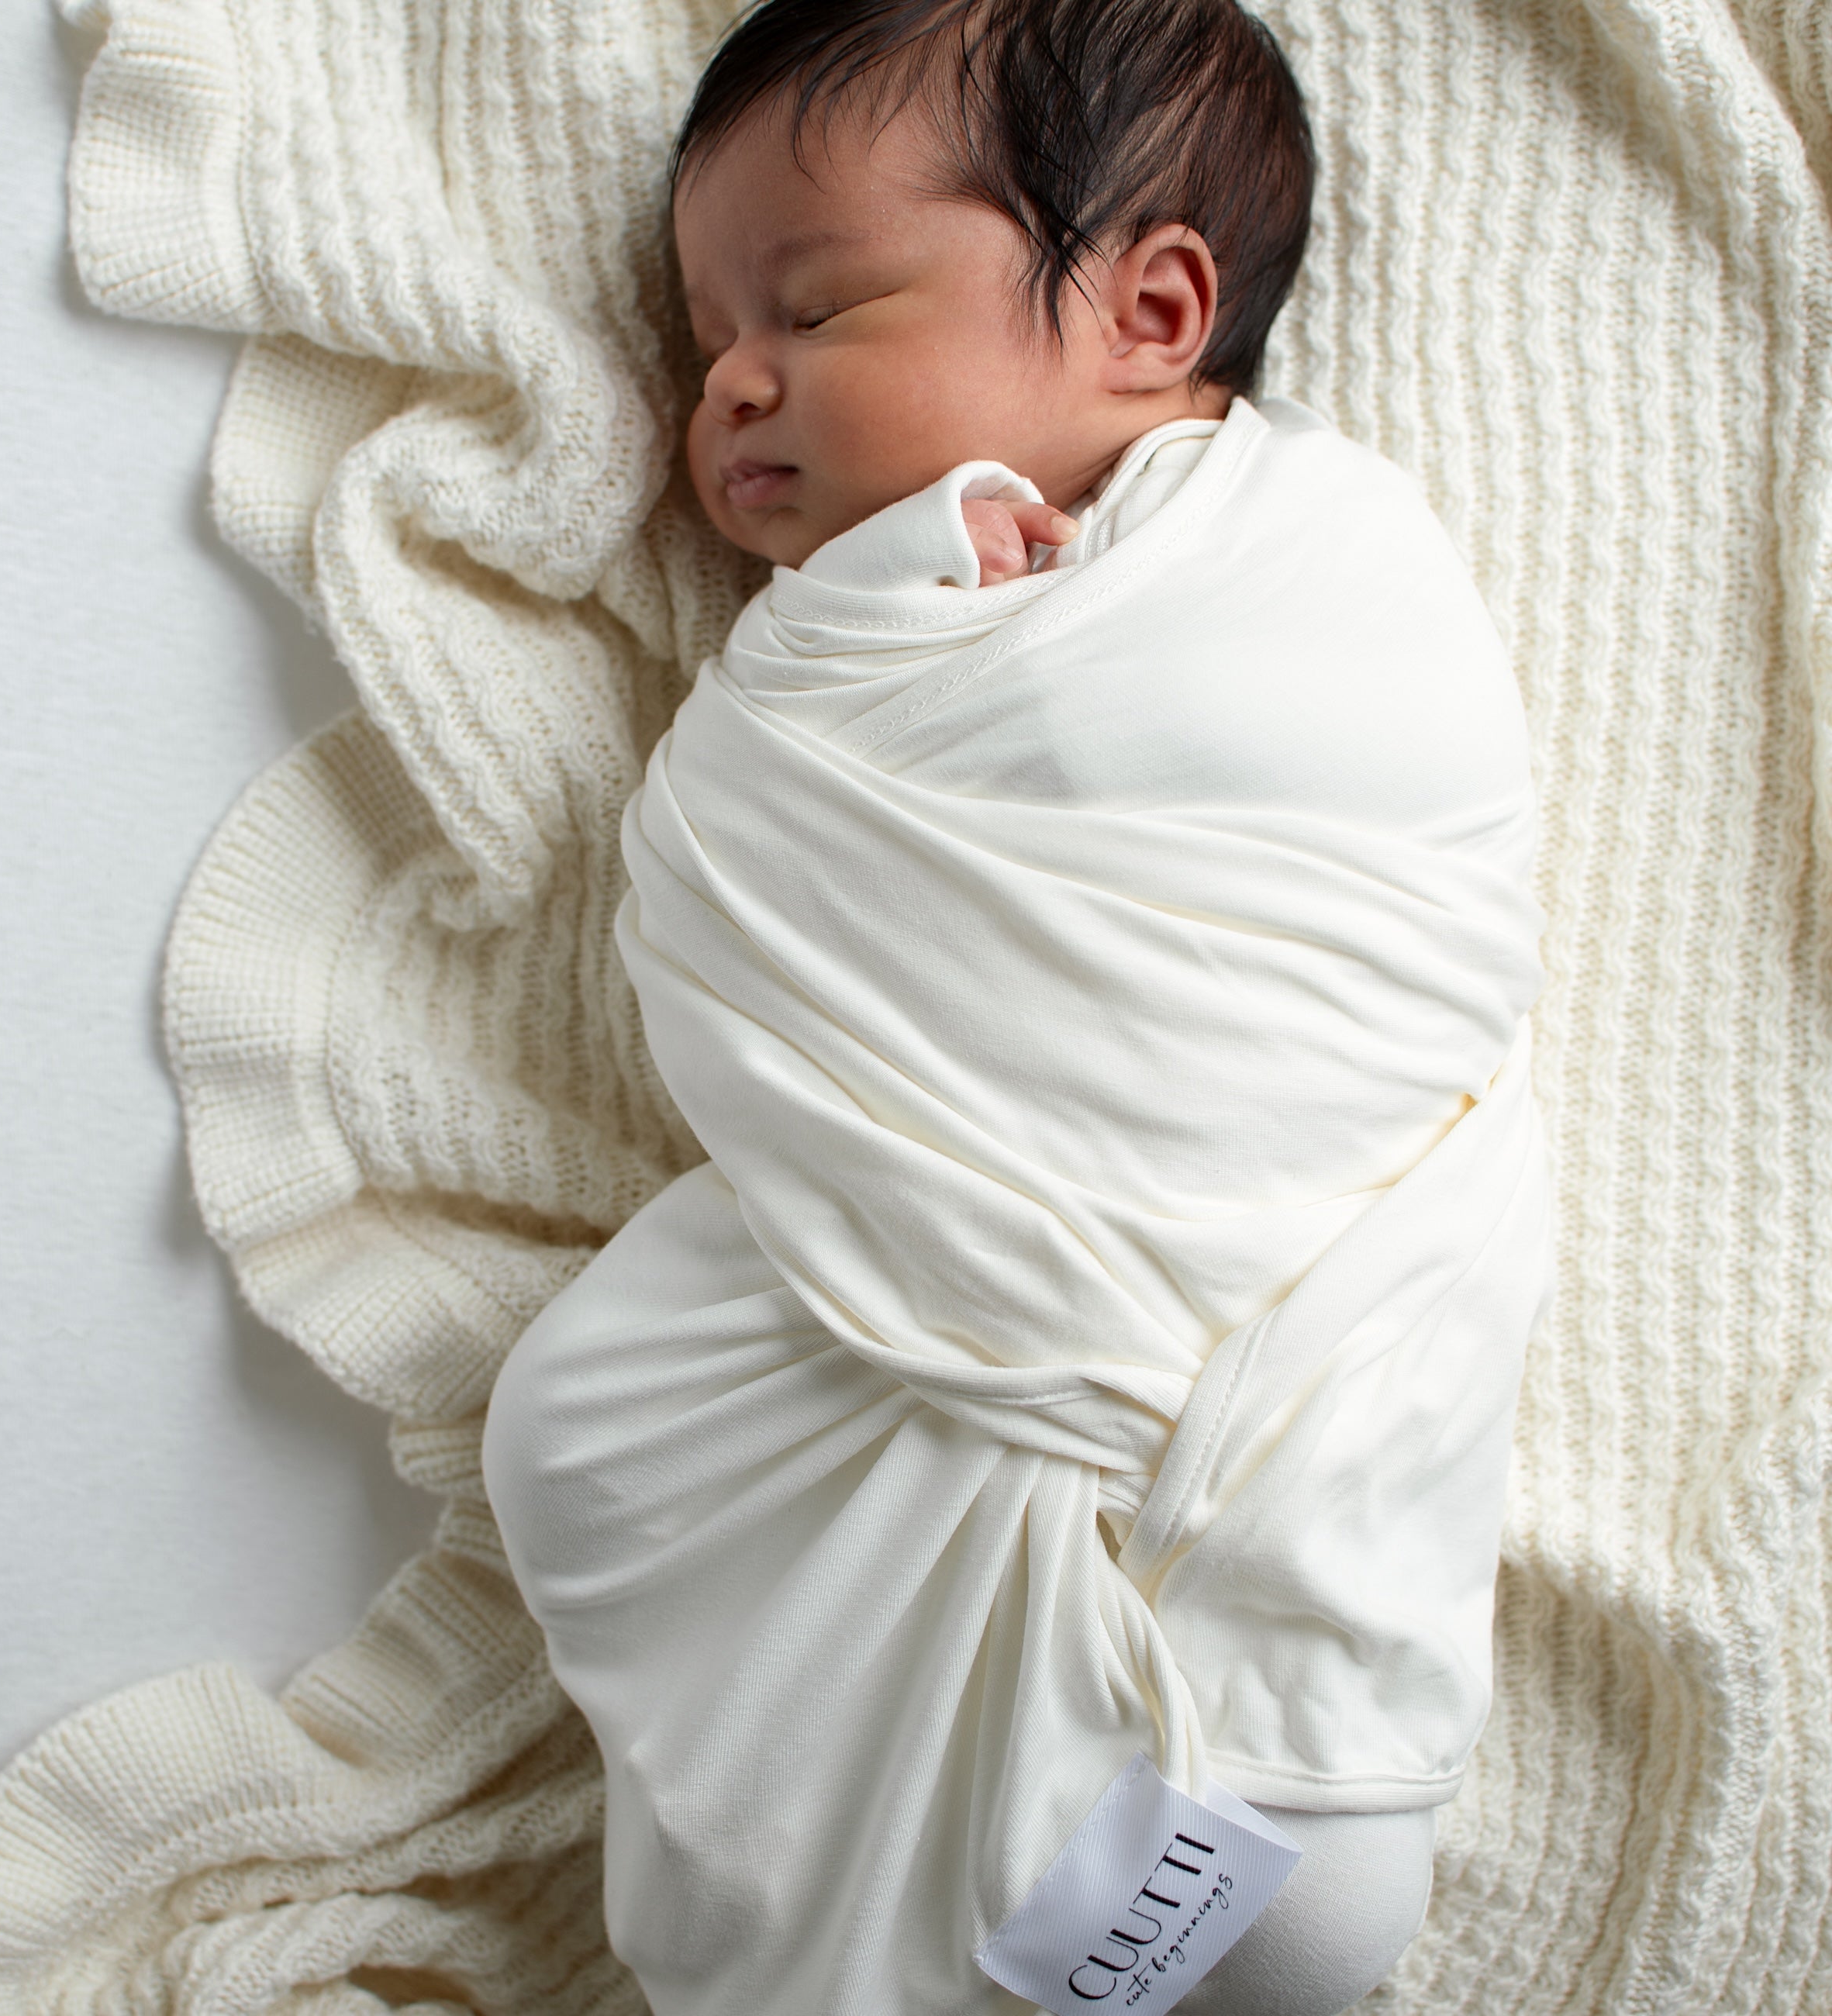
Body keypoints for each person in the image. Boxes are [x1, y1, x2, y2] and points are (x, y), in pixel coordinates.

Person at [482, 2, 1551, 2011]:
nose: (734, 382)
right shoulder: (848, 650)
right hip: (947, 1273)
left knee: (1269, 1847)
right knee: (591, 1428)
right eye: (706, 340)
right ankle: (1058, 1885)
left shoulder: (1317, 560)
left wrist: (889, 625)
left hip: (1278, 1365)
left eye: (819, 307)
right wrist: (868, 617)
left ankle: (1172, 1838)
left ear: (1152, 312)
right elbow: (750, 879)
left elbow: (1376, 857)